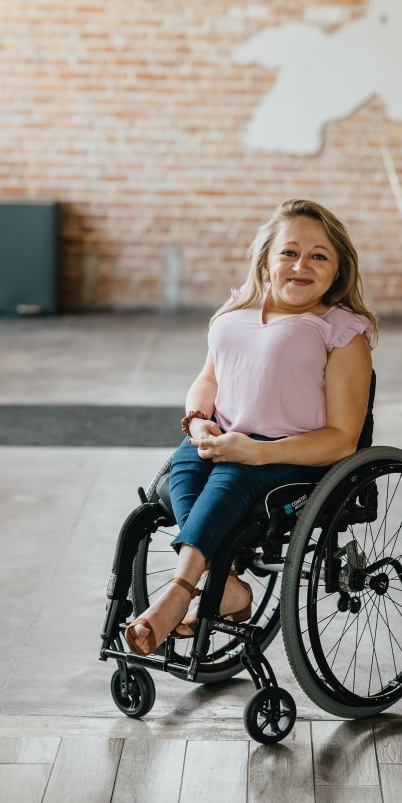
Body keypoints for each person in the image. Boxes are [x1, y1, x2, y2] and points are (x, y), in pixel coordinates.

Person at [126, 198, 377, 655]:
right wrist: (199, 423)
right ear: (266, 259)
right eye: (289, 252)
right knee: (183, 472)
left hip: (291, 456)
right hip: (223, 439)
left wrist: (258, 452)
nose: (301, 265)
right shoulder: (235, 312)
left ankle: (178, 593)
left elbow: (343, 440)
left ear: (338, 271)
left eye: (318, 256)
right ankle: (227, 587)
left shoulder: (341, 331)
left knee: (228, 482)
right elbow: (208, 378)